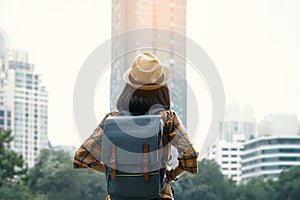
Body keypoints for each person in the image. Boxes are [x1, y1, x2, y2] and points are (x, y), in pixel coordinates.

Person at [73, 52, 199, 200]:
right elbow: (190, 156)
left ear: (129, 87)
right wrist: (170, 175)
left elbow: (82, 156)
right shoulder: (168, 119)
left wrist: (116, 172)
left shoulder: (112, 120)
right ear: (162, 88)